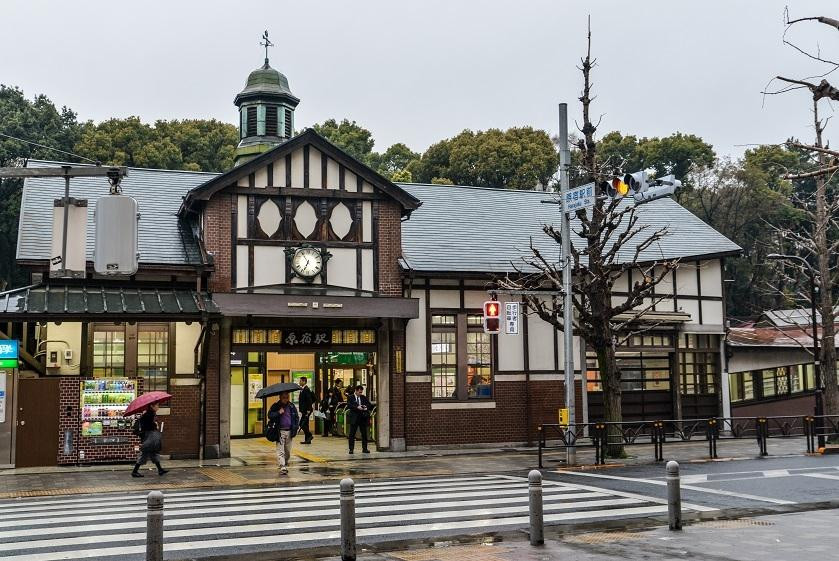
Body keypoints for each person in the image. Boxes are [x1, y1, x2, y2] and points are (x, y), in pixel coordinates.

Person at [131, 403, 168, 478]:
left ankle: (160, 470)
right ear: (152, 406)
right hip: (149, 437)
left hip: (149, 436)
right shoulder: (149, 414)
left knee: (153, 453)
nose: (158, 406)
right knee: (145, 453)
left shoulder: (150, 414)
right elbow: (149, 426)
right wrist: (156, 425)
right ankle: (134, 471)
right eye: (157, 405)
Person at [268, 391, 299, 475]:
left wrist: (296, 427)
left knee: (288, 451)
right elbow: (270, 415)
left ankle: (285, 462)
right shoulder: (276, 406)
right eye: (284, 398)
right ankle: (282, 466)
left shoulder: (291, 406)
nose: (286, 399)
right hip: (280, 431)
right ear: (280, 398)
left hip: (290, 431)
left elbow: (296, 417)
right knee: (280, 450)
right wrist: (278, 412)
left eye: (287, 397)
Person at [347, 385, 371, 454]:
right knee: (352, 434)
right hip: (354, 418)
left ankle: (365, 448)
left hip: (362, 418)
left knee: (364, 434)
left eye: (361, 392)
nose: (360, 393)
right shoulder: (350, 397)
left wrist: (365, 407)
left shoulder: (363, 397)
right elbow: (349, 405)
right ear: (356, 391)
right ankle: (351, 449)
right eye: (359, 392)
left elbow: (369, 404)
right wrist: (357, 407)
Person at [298, 376, 315, 444]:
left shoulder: (306, 389)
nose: (299, 382)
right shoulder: (303, 389)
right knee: (305, 424)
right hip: (304, 410)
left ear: (304, 381)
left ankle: (310, 435)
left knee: (301, 423)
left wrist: (308, 409)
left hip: (307, 410)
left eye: (300, 381)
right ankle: (308, 440)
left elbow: (309, 400)